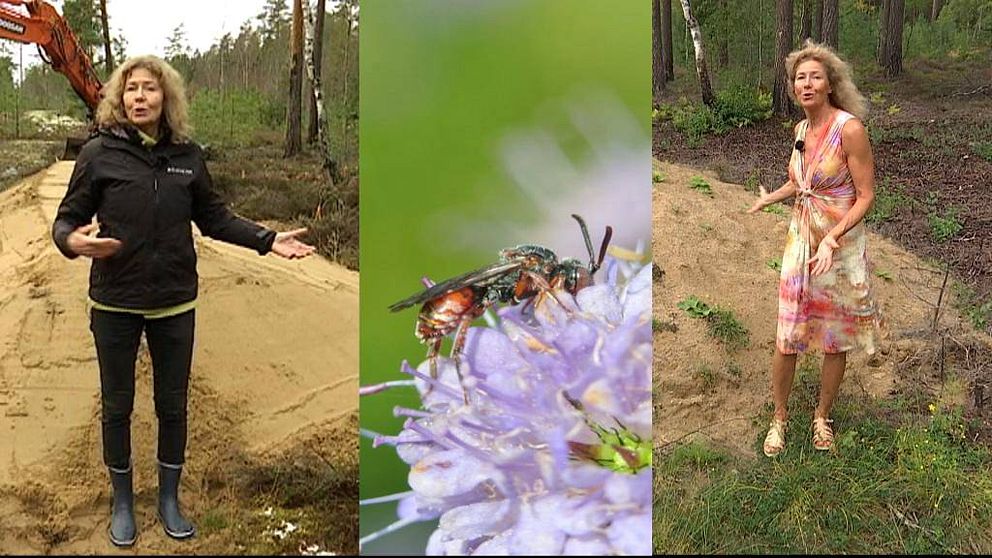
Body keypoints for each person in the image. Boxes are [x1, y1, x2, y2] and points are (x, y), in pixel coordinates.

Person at [51, 55, 316, 546]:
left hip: (174, 302)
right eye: (131, 89)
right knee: (117, 406)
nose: (139, 98)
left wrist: (267, 238)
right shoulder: (98, 154)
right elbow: (66, 219)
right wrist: (73, 242)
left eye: (149, 89)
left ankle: (169, 497)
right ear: (118, 97)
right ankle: (124, 501)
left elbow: (214, 218)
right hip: (115, 303)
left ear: (165, 98)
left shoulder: (188, 156)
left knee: (173, 406)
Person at [748, 40, 881, 458]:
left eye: (814, 76)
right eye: (800, 78)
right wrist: (772, 197)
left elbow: (865, 196)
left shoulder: (850, 129)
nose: (806, 84)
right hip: (802, 241)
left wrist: (833, 237)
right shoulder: (801, 131)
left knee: (833, 336)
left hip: (838, 246)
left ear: (829, 84)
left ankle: (821, 416)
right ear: (794, 88)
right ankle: (780, 417)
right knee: (788, 332)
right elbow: (803, 183)